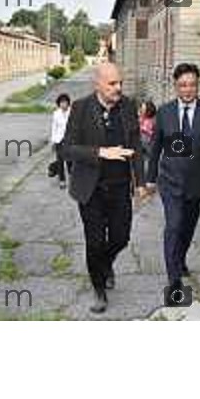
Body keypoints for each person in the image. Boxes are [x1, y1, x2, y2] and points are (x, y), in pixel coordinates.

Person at [63, 63, 146, 313]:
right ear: (97, 83)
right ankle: (99, 290)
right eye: (112, 84)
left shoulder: (129, 106)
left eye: (119, 82)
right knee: (95, 242)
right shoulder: (80, 108)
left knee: (121, 237)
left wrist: (140, 182)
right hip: (91, 190)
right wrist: (101, 152)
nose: (118, 88)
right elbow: (67, 148)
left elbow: (136, 146)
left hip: (120, 187)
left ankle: (105, 264)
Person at [146, 63, 200, 307]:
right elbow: (155, 147)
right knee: (173, 226)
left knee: (187, 228)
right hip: (169, 182)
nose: (187, 90)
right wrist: (149, 179)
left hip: (196, 184)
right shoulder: (165, 112)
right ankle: (174, 283)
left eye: (192, 84)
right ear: (175, 86)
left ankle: (179, 259)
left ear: (198, 85)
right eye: (182, 85)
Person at [50, 93, 72, 189]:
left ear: (68, 103)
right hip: (59, 140)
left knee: (70, 161)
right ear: (59, 104)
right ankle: (62, 181)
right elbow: (54, 128)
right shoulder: (56, 113)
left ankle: (72, 179)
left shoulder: (72, 112)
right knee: (60, 161)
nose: (63, 105)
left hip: (70, 140)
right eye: (61, 103)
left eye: (65, 102)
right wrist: (53, 141)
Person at [139, 100, 157, 177]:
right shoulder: (143, 118)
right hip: (145, 143)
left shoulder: (150, 121)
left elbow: (146, 132)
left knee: (147, 161)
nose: (141, 109)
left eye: (143, 108)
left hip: (147, 143)